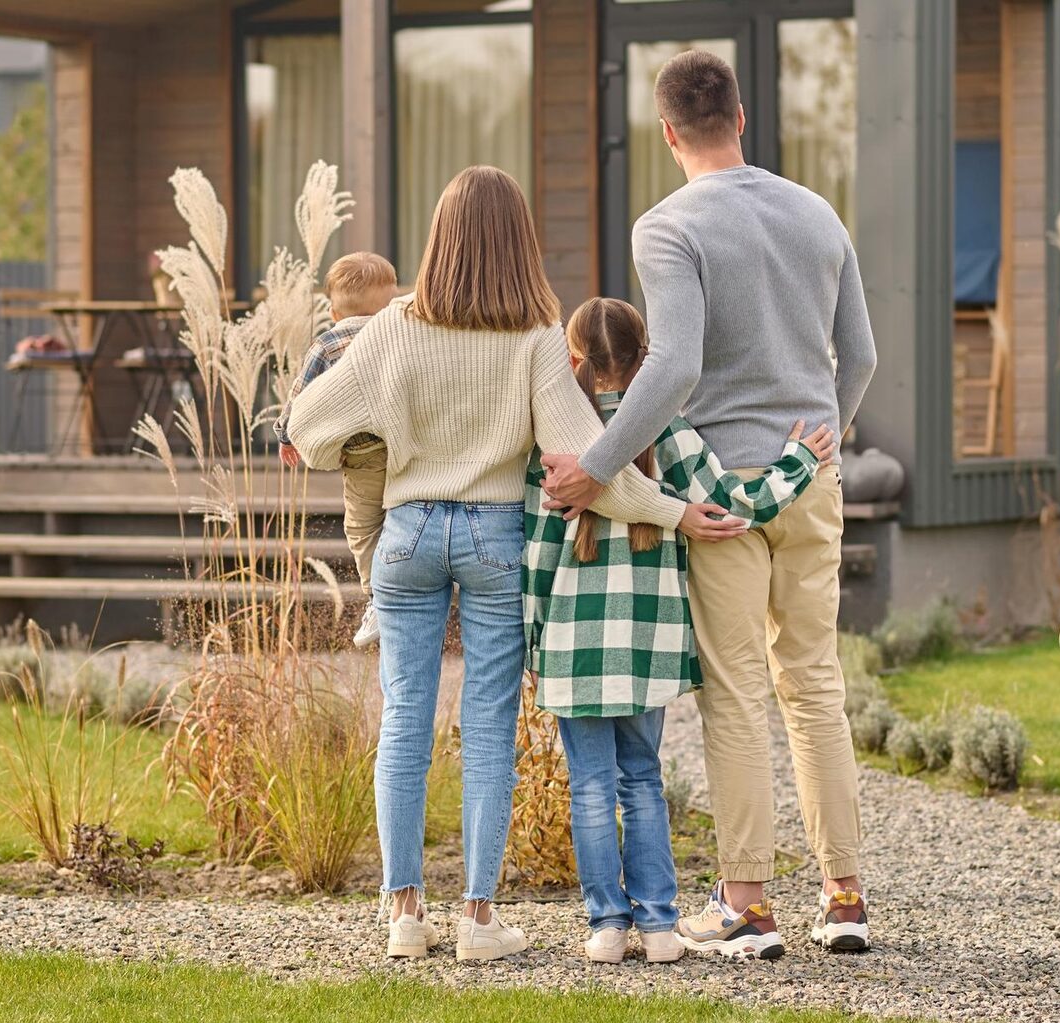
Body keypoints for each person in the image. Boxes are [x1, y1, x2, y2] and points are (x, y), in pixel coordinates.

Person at [285, 166, 747, 963]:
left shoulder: (392, 326)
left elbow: (306, 425)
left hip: (406, 532)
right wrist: (676, 511)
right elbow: (588, 466)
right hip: (497, 539)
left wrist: (372, 446)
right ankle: (476, 919)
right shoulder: (536, 338)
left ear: (439, 239)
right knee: (489, 727)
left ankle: (403, 914)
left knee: (404, 718)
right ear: (519, 243)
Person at [541, 50, 878, 960]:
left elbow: (676, 363)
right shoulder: (817, 212)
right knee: (814, 685)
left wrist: (597, 464)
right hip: (809, 479)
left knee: (735, 696)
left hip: (719, 494)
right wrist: (821, 448)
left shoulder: (667, 225)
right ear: (739, 116)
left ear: (665, 133)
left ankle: (749, 908)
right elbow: (864, 354)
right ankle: (844, 897)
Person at [526, 297, 834, 965]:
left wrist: (535, 639)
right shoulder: (667, 430)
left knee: (588, 785)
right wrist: (798, 461)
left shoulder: (555, 437)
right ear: (648, 362)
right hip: (650, 643)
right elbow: (732, 504)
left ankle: (608, 926)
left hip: (575, 649)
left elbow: (537, 549)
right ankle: (662, 926)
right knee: (642, 777)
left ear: (571, 361)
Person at [275, 251, 399, 649]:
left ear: (333, 311)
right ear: (391, 302)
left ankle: (379, 597)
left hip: (362, 454)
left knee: (363, 527)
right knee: (401, 518)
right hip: (408, 446)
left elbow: (300, 396)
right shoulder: (400, 333)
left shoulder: (327, 344)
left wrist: (285, 434)